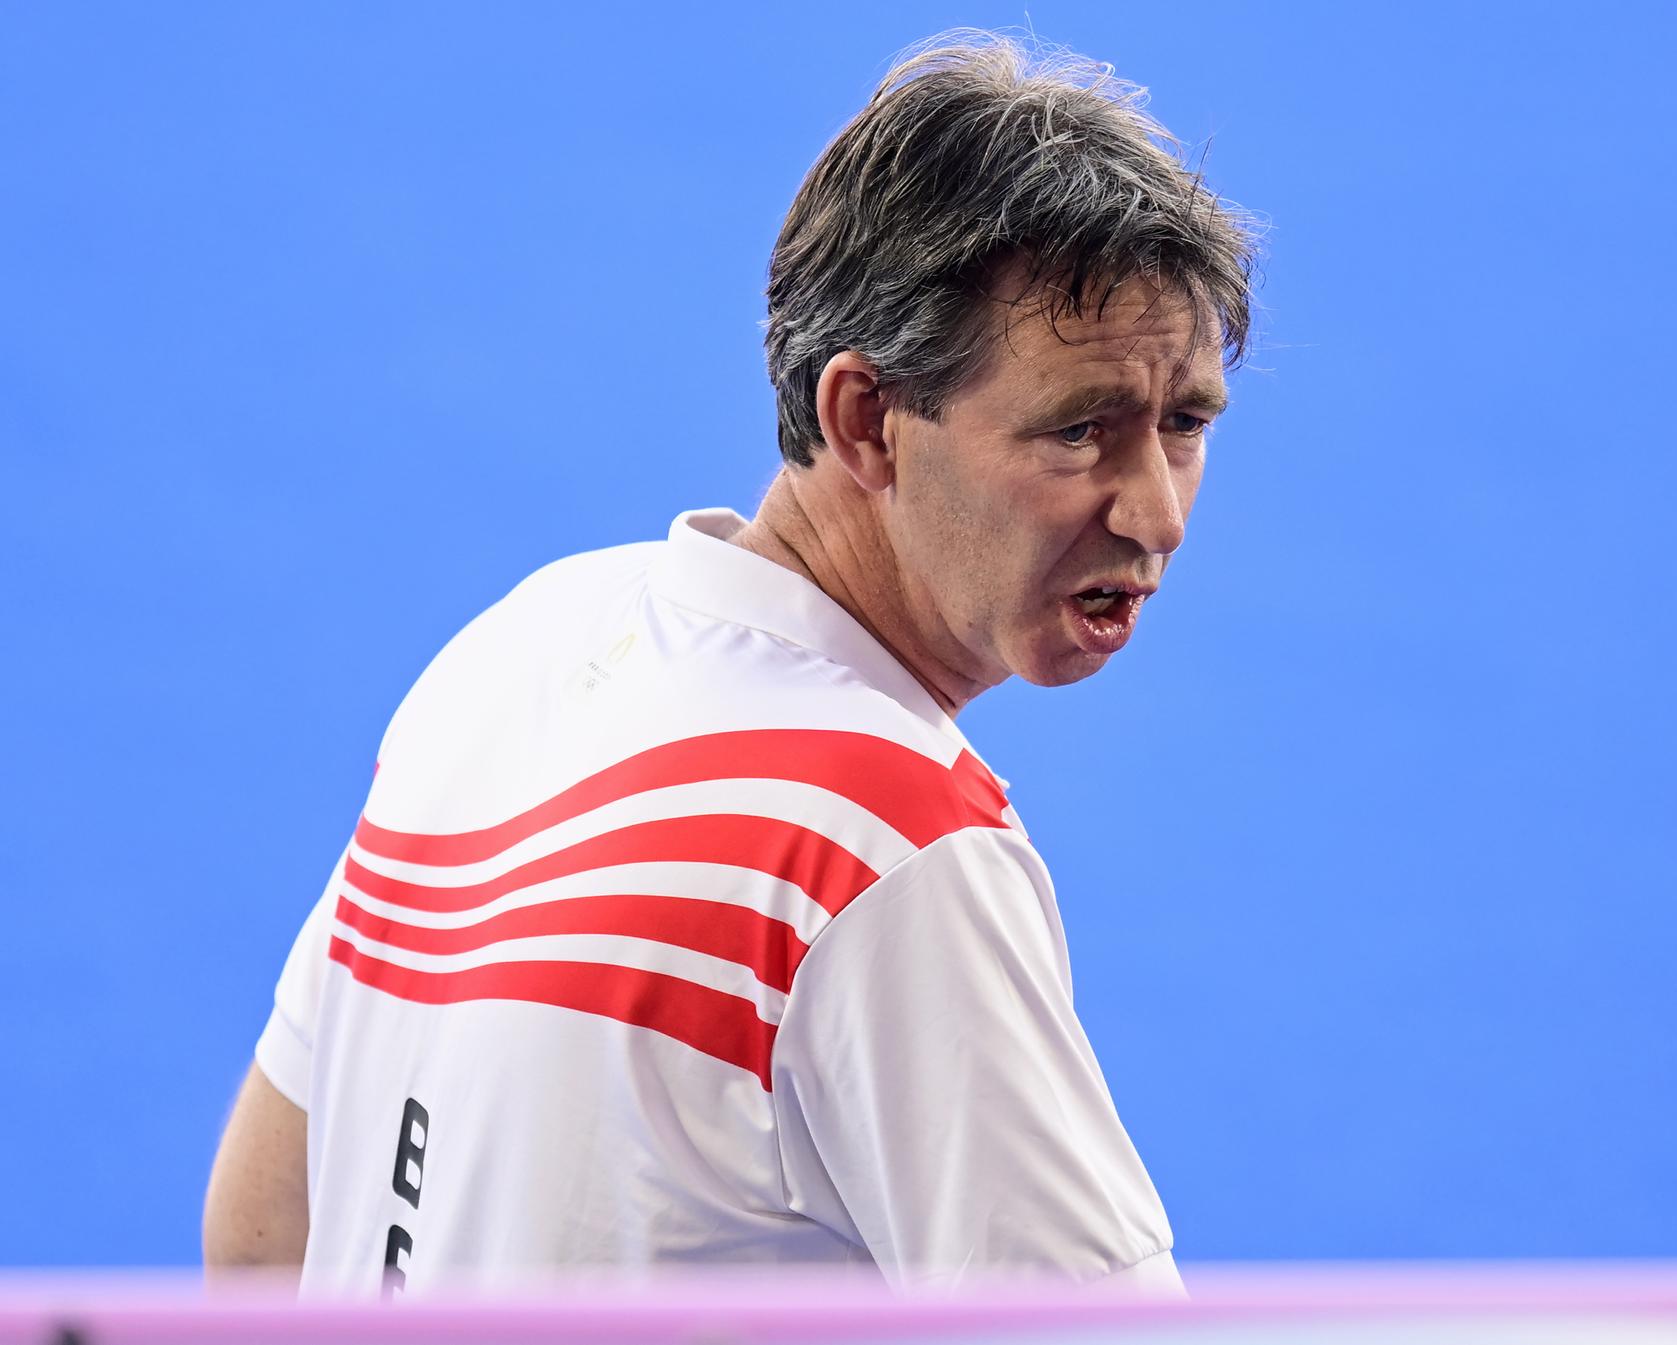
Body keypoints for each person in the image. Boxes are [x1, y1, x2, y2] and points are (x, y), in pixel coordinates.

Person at [203, 29, 1257, 1294]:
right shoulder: (887, 843)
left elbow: (263, 1235)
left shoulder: (514, 645)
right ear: (867, 419)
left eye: (1183, 422)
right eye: (1081, 430)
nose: (1157, 512)